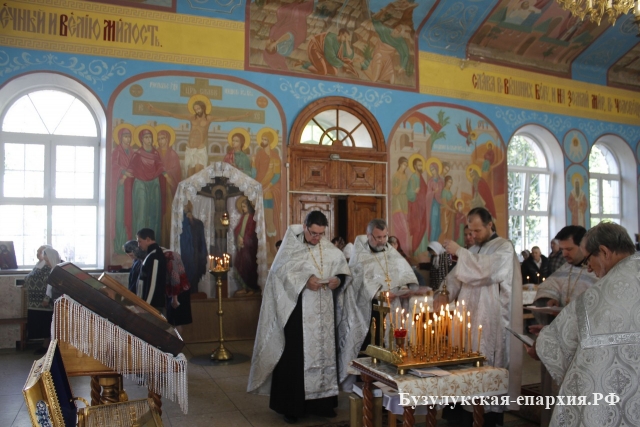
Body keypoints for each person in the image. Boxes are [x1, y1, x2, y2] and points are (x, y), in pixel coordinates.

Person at [529, 222, 639, 427]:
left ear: (604, 252)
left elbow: (560, 339)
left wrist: (541, 344)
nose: (588, 267)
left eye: (589, 259)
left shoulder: (604, 292)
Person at [248, 211, 350, 424]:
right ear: (304, 227)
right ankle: (292, 407)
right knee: (295, 359)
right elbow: (279, 273)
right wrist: (304, 281)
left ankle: (322, 404)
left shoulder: (328, 248)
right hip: (296, 313)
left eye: (321, 234)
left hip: (324, 316)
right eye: (313, 233)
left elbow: (342, 269)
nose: (316, 238)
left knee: (324, 356)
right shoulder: (290, 248)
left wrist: (338, 280)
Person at [440, 207, 522, 424]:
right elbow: (457, 276)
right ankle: (461, 415)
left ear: (490, 225)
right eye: (470, 231)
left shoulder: (504, 247)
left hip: (490, 320)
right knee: (462, 363)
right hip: (467, 316)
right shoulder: (475, 249)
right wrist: (443, 293)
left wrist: (460, 251)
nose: (473, 235)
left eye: (477, 231)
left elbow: (486, 271)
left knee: (485, 364)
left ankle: (485, 416)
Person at [336, 220, 418, 389]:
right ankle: (367, 388)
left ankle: (391, 385)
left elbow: (404, 273)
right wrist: (379, 293)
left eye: (385, 236)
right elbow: (358, 281)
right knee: (371, 349)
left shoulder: (391, 252)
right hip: (370, 312)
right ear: (369, 236)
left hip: (393, 308)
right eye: (378, 237)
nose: (382, 241)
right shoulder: (360, 255)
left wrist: (404, 287)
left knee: (393, 346)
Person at [531, 225, 598, 427]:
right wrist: (548, 300)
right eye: (562, 249)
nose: (565, 254)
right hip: (558, 339)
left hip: (582, 343)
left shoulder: (597, 272)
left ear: (584, 246)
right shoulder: (564, 269)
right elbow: (549, 287)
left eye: (569, 249)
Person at [148, 97, 250, 177]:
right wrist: (154, 109)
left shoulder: (209, 118)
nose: (197, 111)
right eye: (195, 109)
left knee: (198, 175)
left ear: (203, 108)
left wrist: (244, 116)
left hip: (200, 150)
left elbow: (227, 118)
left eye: (198, 108)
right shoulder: (192, 117)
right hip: (190, 150)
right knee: (189, 176)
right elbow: (172, 114)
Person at [252, 128, 282, 260]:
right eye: (262, 139)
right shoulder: (258, 155)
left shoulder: (275, 157)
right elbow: (254, 174)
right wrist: (253, 163)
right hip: (258, 190)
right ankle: (259, 248)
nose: (263, 141)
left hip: (268, 193)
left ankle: (271, 248)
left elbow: (277, 175)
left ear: (270, 141)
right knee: (257, 219)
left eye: (265, 139)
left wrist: (268, 187)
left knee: (269, 220)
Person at [25, 246, 58, 354]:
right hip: (35, 301)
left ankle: (47, 346)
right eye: (37, 251)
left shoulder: (49, 266)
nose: (38, 253)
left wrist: (46, 298)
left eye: (40, 252)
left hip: (44, 301)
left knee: (45, 324)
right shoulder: (39, 264)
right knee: (39, 324)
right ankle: (44, 346)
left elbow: (49, 284)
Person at [233, 197, 260, 296]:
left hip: (249, 248)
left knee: (249, 267)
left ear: (249, 207)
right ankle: (244, 288)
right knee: (240, 266)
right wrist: (239, 237)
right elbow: (237, 229)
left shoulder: (253, 218)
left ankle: (252, 288)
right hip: (242, 247)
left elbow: (251, 232)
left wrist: (244, 239)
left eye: (244, 206)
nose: (243, 209)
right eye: (242, 207)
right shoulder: (243, 217)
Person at [136, 228, 167, 310]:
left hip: (153, 306)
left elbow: (153, 284)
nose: (138, 245)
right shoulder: (150, 255)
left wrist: (147, 306)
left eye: (139, 241)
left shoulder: (155, 256)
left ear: (148, 239)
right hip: (148, 304)